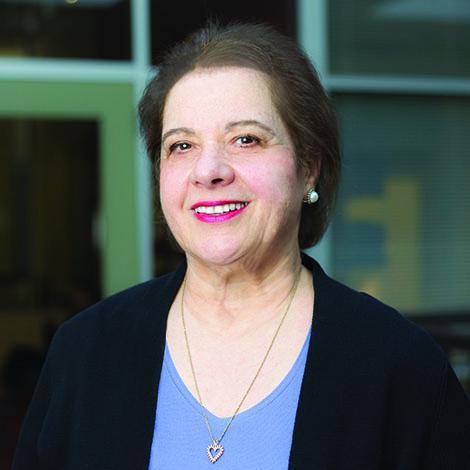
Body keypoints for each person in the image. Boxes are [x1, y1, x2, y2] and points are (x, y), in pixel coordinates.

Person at [13, 22, 470, 470]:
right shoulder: (84, 353)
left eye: (246, 139)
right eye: (182, 145)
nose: (209, 170)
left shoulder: (402, 368)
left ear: (308, 168)